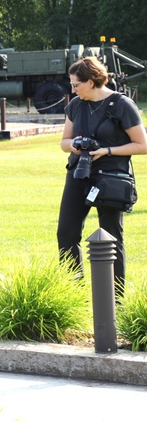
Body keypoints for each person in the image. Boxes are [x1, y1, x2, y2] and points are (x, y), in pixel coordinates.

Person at [58, 56, 147, 295]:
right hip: (79, 173)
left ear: (92, 81)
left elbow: (142, 145)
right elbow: (64, 142)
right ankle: (72, 295)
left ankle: (115, 301)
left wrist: (107, 150)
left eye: (76, 85)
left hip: (111, 179)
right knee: (66, 233)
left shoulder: (121, 105)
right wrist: (74, 143)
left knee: (111, 237)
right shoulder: (75, 105)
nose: (73, 90)